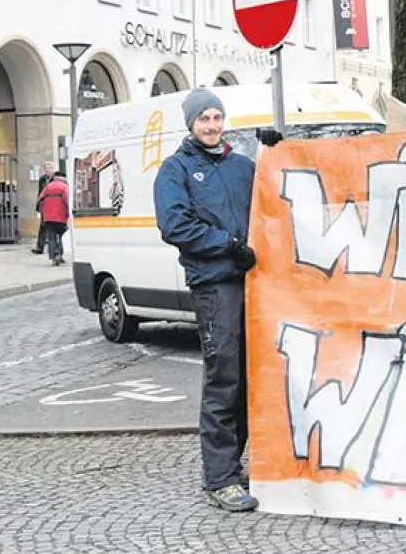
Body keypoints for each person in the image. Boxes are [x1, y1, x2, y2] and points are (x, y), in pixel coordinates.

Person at [153, 88, 282, 512]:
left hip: (254, 283)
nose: (211, 125)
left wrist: (280, 154)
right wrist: (226, 244)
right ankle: (220, 477)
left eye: (216, 117)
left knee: (254, 376)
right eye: (203, 118)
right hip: (215, 285)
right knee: (224, 377)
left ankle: (238, 461)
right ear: (190, 124)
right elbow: (174, 225)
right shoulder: (176, 170)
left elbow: (273, 195)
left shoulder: (241, 165)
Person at [36, 170, 70, 266]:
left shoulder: (47, 187)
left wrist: (43, 213)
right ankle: (59, 253)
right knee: (63, 236)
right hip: (61, 216)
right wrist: (68, 213)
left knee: (51, 237)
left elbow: (40, 200)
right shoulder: (64, 187)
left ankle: (53, 258)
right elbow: (67, 201)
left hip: (48, 217)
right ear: (63, 178)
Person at [31, 164, 57, 255]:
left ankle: (55, 249)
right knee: (43, 226)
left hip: (54, 206)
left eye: (49, 168)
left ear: (53, 169)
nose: (48, 170)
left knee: (54, 227)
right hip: (45, 206)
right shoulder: (42, 179)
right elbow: (40, 193)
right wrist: (38, 206)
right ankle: (40, 247)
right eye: (46, 168)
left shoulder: (56, 179)